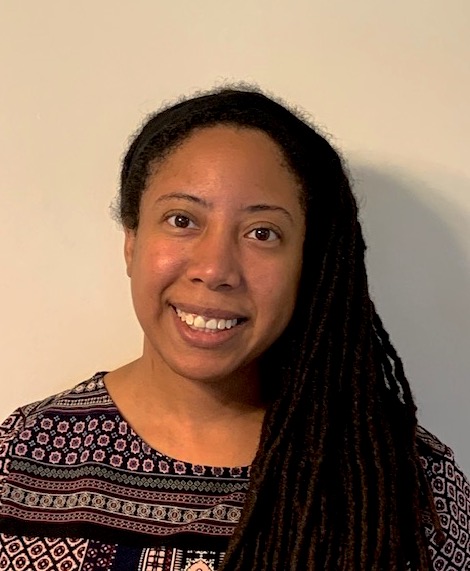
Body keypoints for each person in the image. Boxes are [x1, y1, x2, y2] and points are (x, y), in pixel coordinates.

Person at [0, 88, 468, 571]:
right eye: (182, 220)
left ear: (307, 265)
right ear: (132, 243)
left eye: (262, 233)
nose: (215, 268)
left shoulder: (409, 485)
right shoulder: (19, 462)